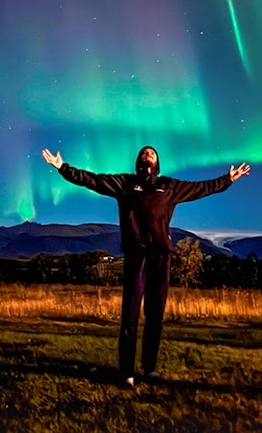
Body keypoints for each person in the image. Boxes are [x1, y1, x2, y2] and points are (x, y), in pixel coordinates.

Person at [40, 145, 250, 388]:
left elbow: (201, 188)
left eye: (152, 152)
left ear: (157, 161)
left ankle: (149, 369)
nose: (148, 153)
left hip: (161, 256)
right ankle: (127, 373)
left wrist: (228, 179)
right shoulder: (125, 184)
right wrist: (62, 168)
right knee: (129, 316)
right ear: (139, 160)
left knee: (155, 317)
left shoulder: (170, 186)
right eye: (144, 152)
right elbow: (93, 181)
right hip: (136, 256)